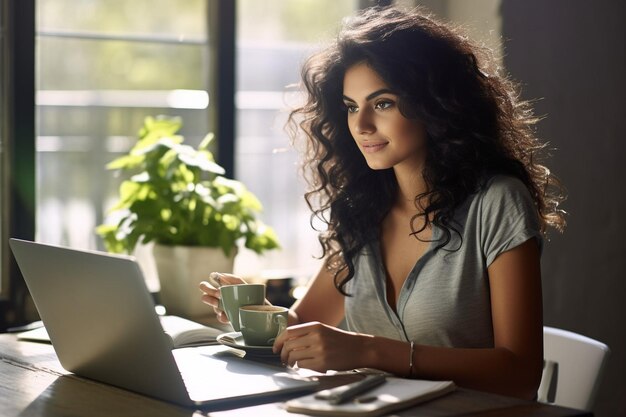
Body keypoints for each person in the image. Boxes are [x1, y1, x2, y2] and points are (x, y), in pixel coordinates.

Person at [199, 6, 566, 400]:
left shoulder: (497, 202)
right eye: (351, 106)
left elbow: (521, 374)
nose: (361, 125)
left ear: (435, 103)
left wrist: (369, 350)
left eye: (383, 103)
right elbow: (302, 326)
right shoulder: (361, 209)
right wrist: (253, 313)